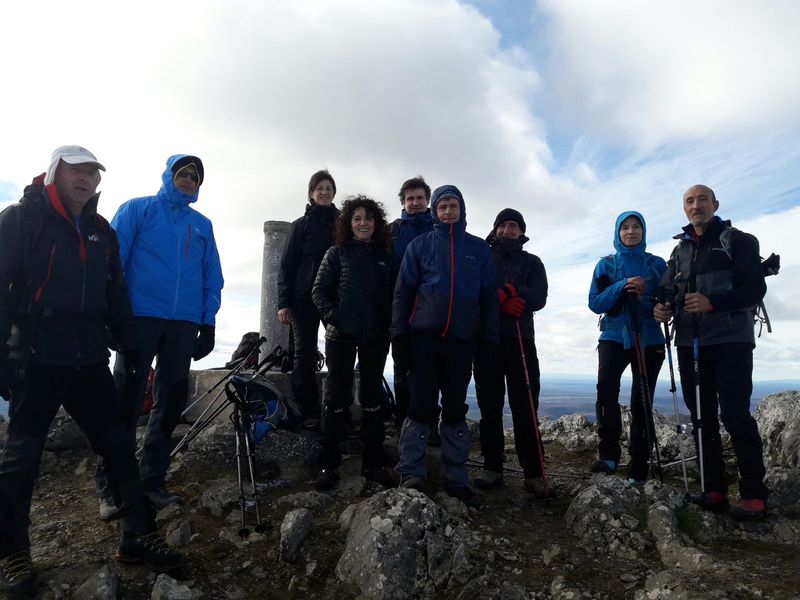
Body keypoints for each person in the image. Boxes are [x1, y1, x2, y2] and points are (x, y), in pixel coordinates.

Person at [0, 146, 182, 595]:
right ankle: (12, 553)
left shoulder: (101, 230)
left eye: (91, 173)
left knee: (118, 447)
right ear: (54, 173)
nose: (85, 179)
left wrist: (131, 346)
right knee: (22, 457)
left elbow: (116, 293)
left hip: (89, 359)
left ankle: (138, 534)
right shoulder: (21, 219)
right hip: (36, 358)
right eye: (75, 171)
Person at [96, 154, 224, 513]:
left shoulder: (202, 225)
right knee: (127, 398)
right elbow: (112, 263)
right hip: (140, 317)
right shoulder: (138, 209)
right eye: (183, 173)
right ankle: (111, 486)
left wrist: (208, 323)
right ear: (169, 175)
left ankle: (152, 482)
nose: (189, 180)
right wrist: (111, 316)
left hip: (183, 323)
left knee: (170, 402)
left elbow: (211, 276)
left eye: (195, 176)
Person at [655, 184, 769, 519]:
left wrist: (712, 302)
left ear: (715, 204)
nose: (696, 205)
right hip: (689, 341)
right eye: (689, 201)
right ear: (684, 209)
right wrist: (661, 308)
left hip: (731, 340)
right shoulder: (679, 251)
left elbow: (755, 289)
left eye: (702, 199)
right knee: (702, 419)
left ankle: (754, 494)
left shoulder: (738, 241)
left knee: (735, 414)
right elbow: (667, 290)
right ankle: (713, 488)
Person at [391, 185, 499, 507]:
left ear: (461, 209)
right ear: (434, 212)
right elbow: (403, 293)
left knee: (454, 407)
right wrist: (399, 335)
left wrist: (489, 340)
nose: (448, 211)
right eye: (442, 207)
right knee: (420, 406)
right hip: (424, 339)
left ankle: (456, 477)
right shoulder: (420, 245)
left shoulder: (479, 249)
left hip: (461, 342)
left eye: (453, 205)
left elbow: (489, 298)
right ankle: (411, 472)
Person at [311, 196, 396, 490]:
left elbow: (396, 296)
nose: (363, 223)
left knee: (372, 398)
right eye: (357, 218)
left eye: (368, 218)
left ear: (377, 223)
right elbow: (319, 291)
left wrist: (386, 324)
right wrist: (336, 318)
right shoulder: (336, 253)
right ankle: (328, 464)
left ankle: (373, 463)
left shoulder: (387, 257)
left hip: (376, 337)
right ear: (348, 223)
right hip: (340, 337)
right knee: (336, 397)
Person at [473, 209, 550, 495]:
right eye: (502, 225)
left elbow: (539, 297)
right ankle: (492, 468)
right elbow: (474, 293)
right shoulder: (482, 257)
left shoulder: (532, 262)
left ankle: (533, 473)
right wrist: (501, 300)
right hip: (487, 339)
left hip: (521, 340)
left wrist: (513, 292)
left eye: (513, 226)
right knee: (489, 407)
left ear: (521, 232)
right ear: (495, 230)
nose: (507, 230)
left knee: (526, 406)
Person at [588, 211, 666, 482]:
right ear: (617, 232)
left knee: (642, 399)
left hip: (649, 338)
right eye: (625, 227)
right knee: (606, 391)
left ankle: (639, 463)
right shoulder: (606, 266)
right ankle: (608, 455)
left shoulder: (657, 265)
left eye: (636, 227)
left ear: (643, 231)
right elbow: (595, 303)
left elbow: (665, 302)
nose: (631, 232)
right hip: (613, 336)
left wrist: (648, 300)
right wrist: (622, 286)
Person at [278, 170, 338, 428]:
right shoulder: (300, 225)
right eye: (319, 188)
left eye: (328, 188)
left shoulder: (342, 223)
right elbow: (286, 266)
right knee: (303, 353)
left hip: (335, 297)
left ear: (333, 193)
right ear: (311, 193)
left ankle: (337, 407)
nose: (324, 192)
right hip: (303, 298)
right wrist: (283, 302)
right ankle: (310, 410)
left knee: (340, 351)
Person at [389, 176, 438, 440]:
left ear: (428, 200)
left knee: (431, 370)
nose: (415, 202)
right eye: (410, 199)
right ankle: (403, 423)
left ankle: (430, 424)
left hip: (432, 310)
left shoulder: (439, 228)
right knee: (401, 367)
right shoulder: (392, 231)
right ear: (403, 202)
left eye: (420, 198)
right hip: (400, 307)